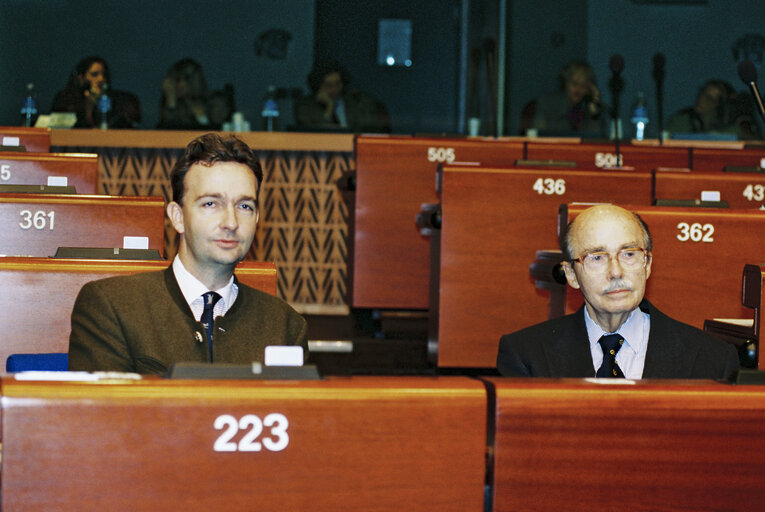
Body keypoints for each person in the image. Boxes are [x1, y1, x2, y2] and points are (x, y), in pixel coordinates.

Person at [68, 133, 308, 374]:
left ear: (256, 219)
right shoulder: (112, 306)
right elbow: (103, 410)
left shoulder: (285, 325)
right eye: (211, 204)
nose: (231, 222)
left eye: (244, 206)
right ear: (178, 217)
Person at [496, 204, 739, 380]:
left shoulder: (711, 360)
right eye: (597, 257)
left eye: (629, 254)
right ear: (571, 274)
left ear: (648, 264)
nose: (615, 272)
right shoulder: (526, 356)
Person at [294, 58, 390, 133]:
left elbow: (371, 129)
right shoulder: (305, 106)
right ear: (318, 86)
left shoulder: (355, 101)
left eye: (338, 83)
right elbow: (317, 135)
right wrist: (329, 108)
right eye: (329, 85)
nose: (334, 89)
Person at [51, 56, 141, 128]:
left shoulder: (117, 101)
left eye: (104, 75)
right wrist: (89, 106)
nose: (101, 79)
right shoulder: (66, 99)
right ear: (81, 78)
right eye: (94, 74)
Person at [525, 60, 607, 137]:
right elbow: (537, 137)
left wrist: (594, 111)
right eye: (575, 84)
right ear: (565, 83)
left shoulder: (590, 110)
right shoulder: (546, 103)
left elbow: (596, 141)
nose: (578, 90)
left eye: (583, 86)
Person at [666, 79, 761, 140]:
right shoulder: (680, 121)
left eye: (709, 98)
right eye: (702, 93)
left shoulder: (735, 129)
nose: (701, 99)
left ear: (720, 106)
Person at [158, 58, 213, 130]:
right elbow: (167, 129)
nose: (194, 82)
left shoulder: (212, 102)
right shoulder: (173, 108)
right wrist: (171, 99)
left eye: (195, 77)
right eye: (187, 77)